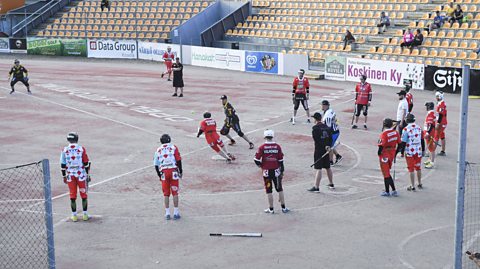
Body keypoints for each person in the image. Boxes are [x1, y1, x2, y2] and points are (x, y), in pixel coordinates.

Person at [254, 129, 289, 214]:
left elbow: (256, 159)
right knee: (280, 189)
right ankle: (283, 207)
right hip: (276, 171)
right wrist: (282, 171)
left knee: (268, 190)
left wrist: (261, 166)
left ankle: (271, 209)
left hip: (266, 172)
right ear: (272, 136)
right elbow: (281, 160)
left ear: (264, 137)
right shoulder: (277, 146)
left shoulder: (262, 147)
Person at [60, 132, 91, 222]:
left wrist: (64, 176)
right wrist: (88, 174)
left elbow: (62, 164)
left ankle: (74, 216)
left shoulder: (64, 150)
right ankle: (85, 214)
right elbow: (86, 163)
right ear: (77, 139)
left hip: (70, 175)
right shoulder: (81, 149)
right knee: (83, 194)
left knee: (72, 195)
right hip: (80, 174)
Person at [154, 134, 182, 220]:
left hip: (164, 172)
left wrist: (159, 175)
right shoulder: (174, 147)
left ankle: (167, 213)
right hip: (173, 171)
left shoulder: (158, 150)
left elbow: (156, 165)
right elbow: (178, 160)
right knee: (175, 192)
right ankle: (176, 212)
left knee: (166, 194)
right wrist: (180, 170)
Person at [308, 112, 334, 192]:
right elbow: (331, 139)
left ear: (315, 119)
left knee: (318, 168)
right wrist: (328, 146)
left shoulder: (315, 128)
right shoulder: (327, 127)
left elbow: (317, 140)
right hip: (327, 149)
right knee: (328, 167)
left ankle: (316, 186)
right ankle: (331, 183)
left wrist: (324, 146)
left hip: (319, 150)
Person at [399, 114, 425, 191]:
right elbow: (422, 140)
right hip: (418, 150)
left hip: (409, 151)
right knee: (418, 167)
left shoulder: (406, 129)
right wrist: (423, 150)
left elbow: (403, 142)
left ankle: (412, 185)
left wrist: (402, 152)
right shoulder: (419, 128)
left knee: (411, 169)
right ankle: (420, 183)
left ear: (407, 120)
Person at [378, 118, 400, 197]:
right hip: (392, 152)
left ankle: (388, 191)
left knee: (386, 174)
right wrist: (396, 153)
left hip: (384, 154)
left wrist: (379, 153)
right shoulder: (395, 132)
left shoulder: (384, 134)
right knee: (387, 173)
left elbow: (381, 146)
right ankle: (392, 190)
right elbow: (400, 145)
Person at [321, 100, 342, 165]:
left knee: (329, 146)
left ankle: (330, 161)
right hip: (335, 130)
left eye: (323, 105)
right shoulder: (330, 111)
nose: (322, 106)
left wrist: (326, 136)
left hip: (333, 132)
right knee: (331, 146)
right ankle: (338, 156)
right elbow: (336, 120)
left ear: (326, 106)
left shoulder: (327, 115)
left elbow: (328, 127)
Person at [423, 102, 437, 169]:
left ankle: (432, 162)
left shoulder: (430, 114)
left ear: (428, 107)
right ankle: (429, 159)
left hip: (429, 133)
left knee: (431, 147)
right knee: (429, 147)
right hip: (430, 132)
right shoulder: (431, 113)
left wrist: (427, 133)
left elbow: (430, 125)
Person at [435, 91, 447, 156]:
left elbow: (441, 115)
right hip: (442, 122)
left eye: (437, 96)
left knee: (436, 136)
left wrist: (438, 123)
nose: (436, 97)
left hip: (441, 123)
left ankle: (432, 151)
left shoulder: (441, 104)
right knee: (442, 135)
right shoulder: (440, 103)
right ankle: (443, 151)